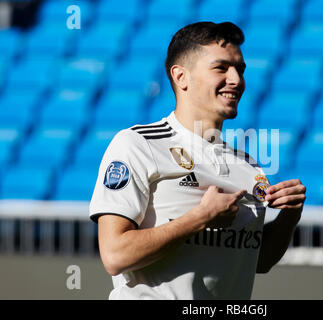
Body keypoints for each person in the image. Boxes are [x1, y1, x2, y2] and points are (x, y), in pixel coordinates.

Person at [89, 21, 306, 300]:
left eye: (240, 69)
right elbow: (115, 255)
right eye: (221, 68)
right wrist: (200, 218)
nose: (236, 80)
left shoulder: (249, 167)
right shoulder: (138, 144)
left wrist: (289, 217)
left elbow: (257, 262)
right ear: (181, 77)